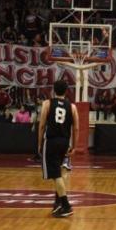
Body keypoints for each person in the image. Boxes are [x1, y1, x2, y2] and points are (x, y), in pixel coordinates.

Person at [38, 80, 79, 218]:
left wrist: (39, 143)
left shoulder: (47, 103)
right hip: (64, 142)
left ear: (53, 90)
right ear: (66, 91)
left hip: (52, 141)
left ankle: (66, 205)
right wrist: (75, 145)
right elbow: (77, 128)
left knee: (55, 175)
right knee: (59, 172)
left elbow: (42, 125)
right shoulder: (72, 106)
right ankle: (57, 204)